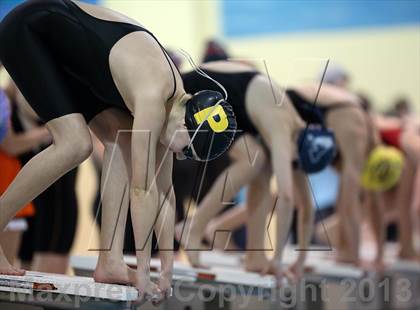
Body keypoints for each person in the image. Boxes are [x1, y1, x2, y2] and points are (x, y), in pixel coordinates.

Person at [0, 0, 236, 302]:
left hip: (69, 54)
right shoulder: (153, 96)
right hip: (30, 31)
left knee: (119, 139)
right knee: (75, 145)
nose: (180, 157)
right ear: (188, 126)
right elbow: (141, 192)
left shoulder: (174, 107)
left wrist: (165, 272)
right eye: (188, 151)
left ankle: (109, 261)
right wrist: (143, 278)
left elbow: (165, 193)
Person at [178, 60, 345, 283]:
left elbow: (306, 204)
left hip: (236, 100)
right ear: (299, 148)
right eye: (296, 163)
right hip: (198, 86)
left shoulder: (297, 134)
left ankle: (255, 256)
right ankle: (194, 228)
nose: (294, 166)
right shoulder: (282, 129)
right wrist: (278, 260)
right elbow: (286, 196)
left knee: (261, 166)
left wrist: (301, 260)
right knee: (252, 161)